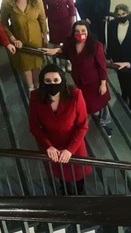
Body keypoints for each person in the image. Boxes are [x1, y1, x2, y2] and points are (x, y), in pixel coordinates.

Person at [28, 64, 91, 195]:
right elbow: (34, 126)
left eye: (56, 80)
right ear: (42, 82)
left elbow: (82, 125)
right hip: (52, 147)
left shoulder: (75, 95)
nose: (52, 84)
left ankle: (80, 190)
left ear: (62, 80)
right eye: (48, 81)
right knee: (61, 173)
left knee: (78, 174)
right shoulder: (35, 97)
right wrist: (48, 146)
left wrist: (70, 150)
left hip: (74, 144)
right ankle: (65, 190)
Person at [44, 21, 113, 137]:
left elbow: (102, 67)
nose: (80, 33)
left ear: (87, 32)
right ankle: (90, 118)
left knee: (101, 102)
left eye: (83, 31)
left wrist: (103, 83)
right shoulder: (70, 43)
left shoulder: (96, 46)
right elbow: (64, 49)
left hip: (94, 81)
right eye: (77, 31)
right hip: (80, 80)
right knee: (86, 102)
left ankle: (105, 122)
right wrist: (56, 50)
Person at [0, 0, 48, 91]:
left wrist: (45, 35)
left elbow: (42, 17)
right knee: (26, 66)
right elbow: (3, 24)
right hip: (19, 40)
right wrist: (13, 39)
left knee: (37, 65)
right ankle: (31, 88)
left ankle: (38, 86)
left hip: (36, 39)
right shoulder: (7, 3)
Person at [106, 4, 131, 110]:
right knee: (120, 77)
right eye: (119, 14)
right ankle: (124, 94)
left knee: (130, 79)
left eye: (123, 14)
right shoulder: (112, 24)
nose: (121, 16)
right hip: (117, 56)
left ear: (128, 13)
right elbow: (110, 41)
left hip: (130, 58)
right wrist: (109, 55)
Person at [41, 0, 76, 72]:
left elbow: (71, 6)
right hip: (53, 22)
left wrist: (72, 21)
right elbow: (43, 9)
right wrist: (43, 25)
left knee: (67, 42)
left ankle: (67, 61)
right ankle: (60, 63)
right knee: (56, 43)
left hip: (66, 20)